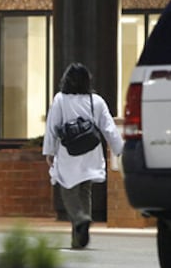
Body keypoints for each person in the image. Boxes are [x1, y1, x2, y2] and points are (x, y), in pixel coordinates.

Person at [42, 62, 124, 249]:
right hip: (91, 152)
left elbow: (52, 127)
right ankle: (79, 238)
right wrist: (119, 149)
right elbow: (109, 127)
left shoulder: (61, 100)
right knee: (84, 190)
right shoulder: (96, 101)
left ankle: (80, 219)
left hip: (68, 152)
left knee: (67, 188)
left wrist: (49, 151)